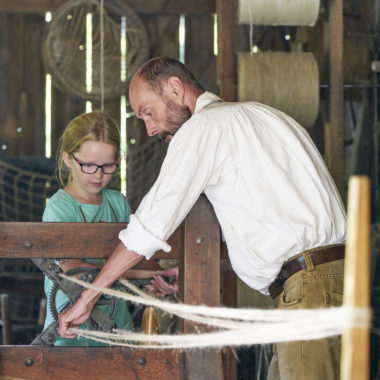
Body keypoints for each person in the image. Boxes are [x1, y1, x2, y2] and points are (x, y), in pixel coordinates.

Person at [57, 58, 346, 379]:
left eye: (148, 112)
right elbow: (280, 230)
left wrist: (88, 297)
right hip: (333, 280)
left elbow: (149, 227)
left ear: (175, 88)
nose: (151, 129)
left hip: (308, 290)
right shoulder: (266, 116)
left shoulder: (204, 128)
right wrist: (198, 268)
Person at [43, 111, 156, 346]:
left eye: (107, 166)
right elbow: (73, 270)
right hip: (71, 329)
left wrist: (160, 275)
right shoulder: (59, 208)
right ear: (68, 159)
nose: (98, 175)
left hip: (117, 328)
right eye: (89, 165)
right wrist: (135, 272)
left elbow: (136, 257)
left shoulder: (117, 203)